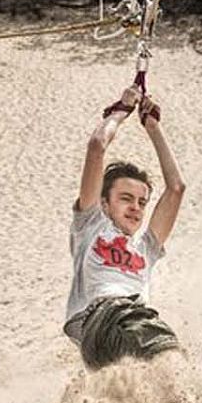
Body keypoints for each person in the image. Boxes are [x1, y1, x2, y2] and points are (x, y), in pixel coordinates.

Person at [64, 84, 187, 368]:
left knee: (145, 394)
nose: (136, 207)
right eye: (126, 199)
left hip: (110, 342)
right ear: (105, 204)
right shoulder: (91, 226)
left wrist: (153, 127)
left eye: (142, 203)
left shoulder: (146, 246)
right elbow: (97, 147)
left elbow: (176, 188)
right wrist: (121, 111)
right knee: (174, 365)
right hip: (106, 316)